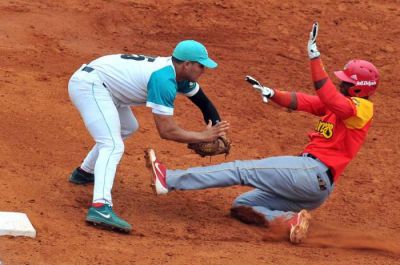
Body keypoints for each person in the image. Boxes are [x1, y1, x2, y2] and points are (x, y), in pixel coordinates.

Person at [145, 22, 380, 244]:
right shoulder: (341, 106)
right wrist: (272, 93)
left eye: (347, 82)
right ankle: (291, 221)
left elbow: (328, 96)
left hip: (310, 173)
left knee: (240, 170)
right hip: (314, 189)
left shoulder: (360, 109)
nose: (341, 83)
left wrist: (315, 59)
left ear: (359, 88)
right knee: (244, 205)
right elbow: (306, 101)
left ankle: (170, 179)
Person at [68, 40, 230, 233]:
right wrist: (202, 137)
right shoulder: (164, 80)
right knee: (112, 145)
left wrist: (218, 131)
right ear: (187, 64)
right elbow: (166, 130)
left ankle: (85, 172)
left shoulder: (181, 77)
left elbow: (204, 104)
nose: (204, 69)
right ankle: (100, 208)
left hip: (108, 88)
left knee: (129, 127)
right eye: (201, 65)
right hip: (90, 86)